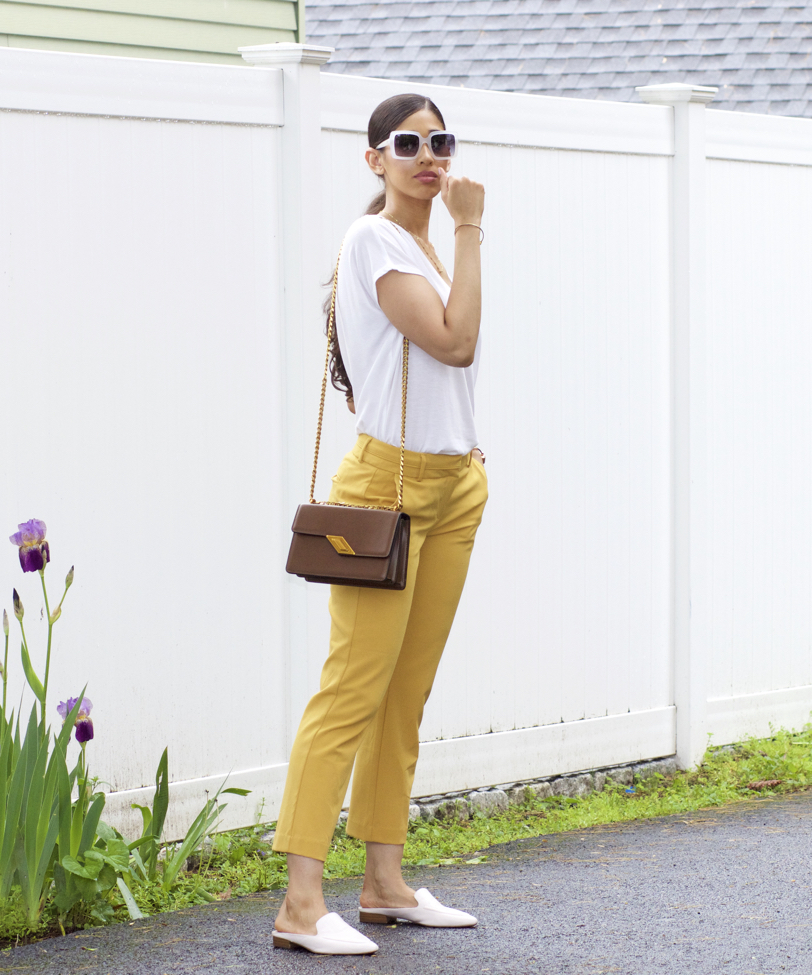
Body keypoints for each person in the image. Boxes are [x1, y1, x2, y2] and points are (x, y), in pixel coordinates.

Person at [272, 92, 488, 956]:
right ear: (375, 160)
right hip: (386, 491)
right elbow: (453, 340)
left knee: (406, 694)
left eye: (441, 142)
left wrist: (469, 461)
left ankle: (386, 884)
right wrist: (472, 228)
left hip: (455, 486)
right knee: (350, 692)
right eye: (409, 143)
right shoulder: (376, 240)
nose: (428, 155)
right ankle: (299, 901)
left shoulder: (429, 245)